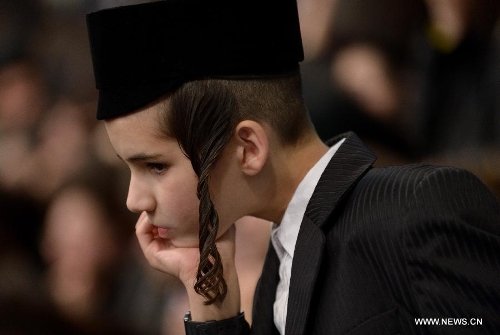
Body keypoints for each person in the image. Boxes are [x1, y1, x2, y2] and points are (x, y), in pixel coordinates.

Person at [86, 0, 500, 334]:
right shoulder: (277, 270)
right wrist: (212, 304)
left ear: (248, 149)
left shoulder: (415, 207)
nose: (133, 199)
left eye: (155, 166)